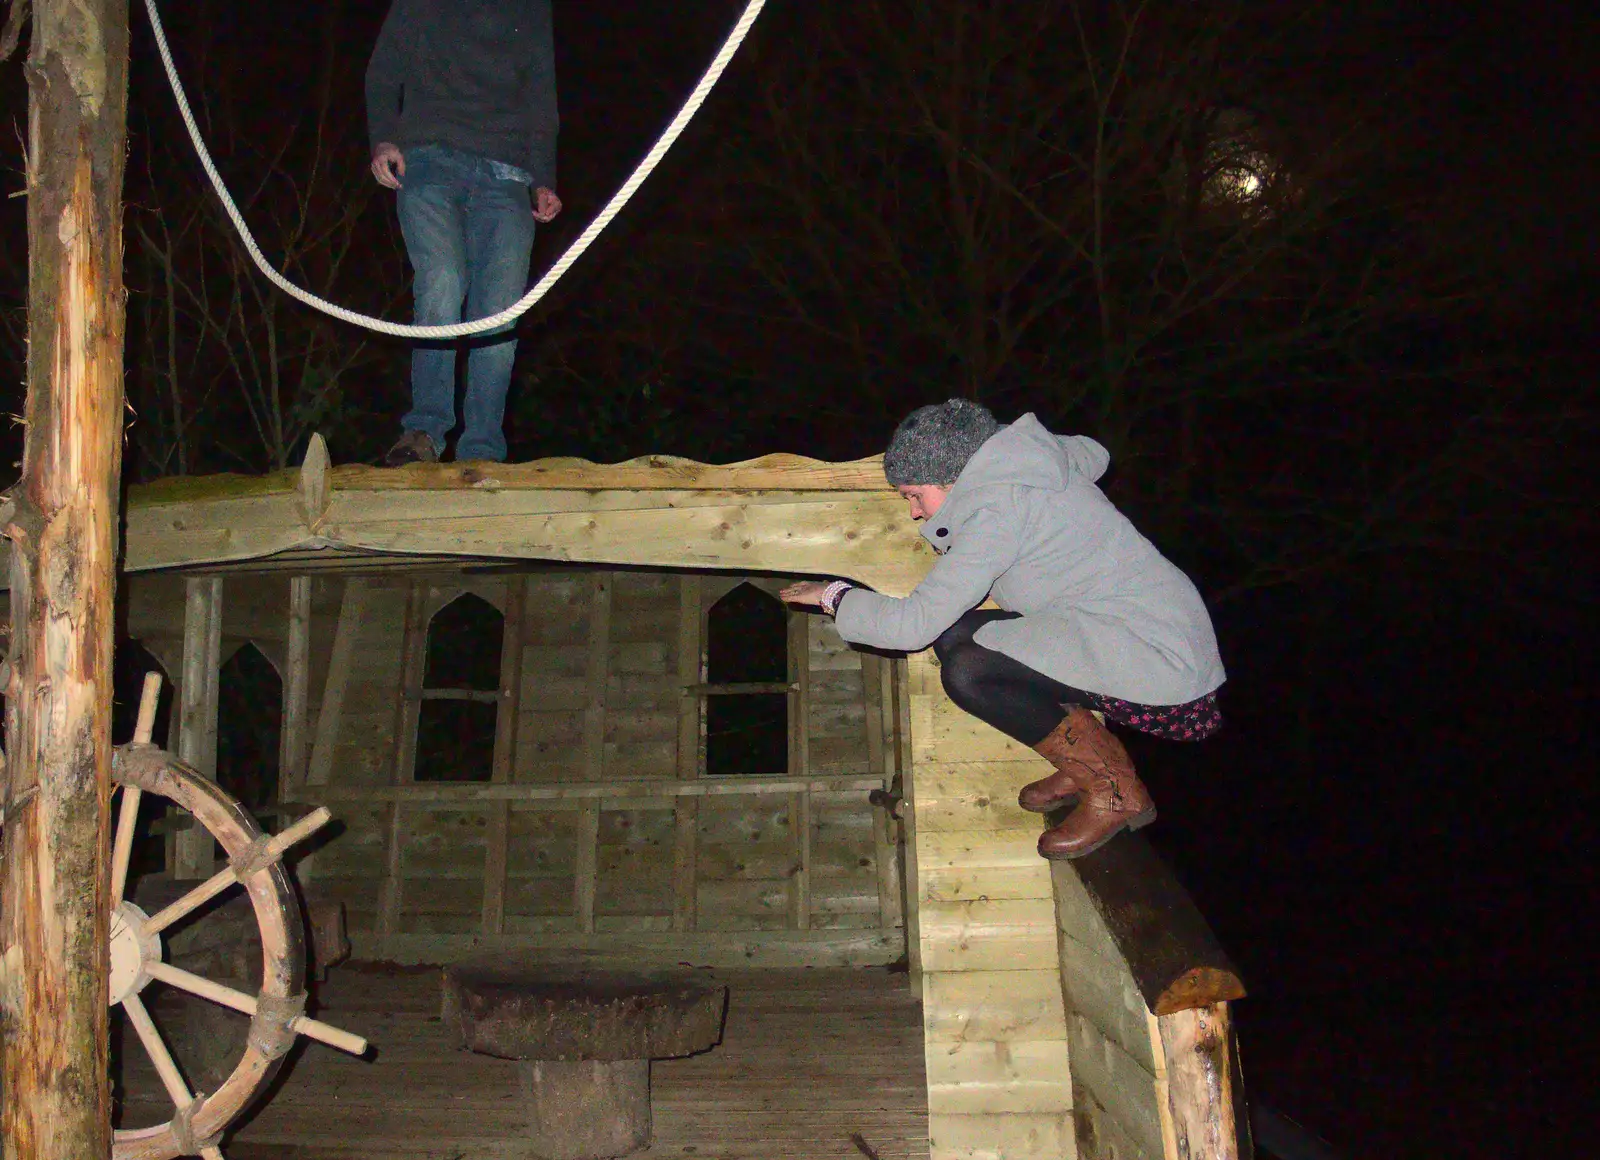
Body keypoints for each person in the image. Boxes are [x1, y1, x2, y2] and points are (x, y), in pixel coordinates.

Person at [781, 399, 1225, 859]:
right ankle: (1084, 765)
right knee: (955, 637)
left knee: (969, 671)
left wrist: (833, 596)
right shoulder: (1023, 467)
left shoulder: (997, 511)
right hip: (1142, 629)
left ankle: (1117, 792)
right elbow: (1095, 453)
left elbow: (910, 627)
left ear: (954, 479)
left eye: (915, 495)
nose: (914, 512)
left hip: (1159, 664)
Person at [366, 0, 562, 466]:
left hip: (507, 174)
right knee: (443, 278)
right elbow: (383, 70)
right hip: (429, 158)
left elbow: (541, 98)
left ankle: (482, 451)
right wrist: (383, 137)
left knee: (499, 314)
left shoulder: (531, 9)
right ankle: (424, 432)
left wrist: (544, 177)